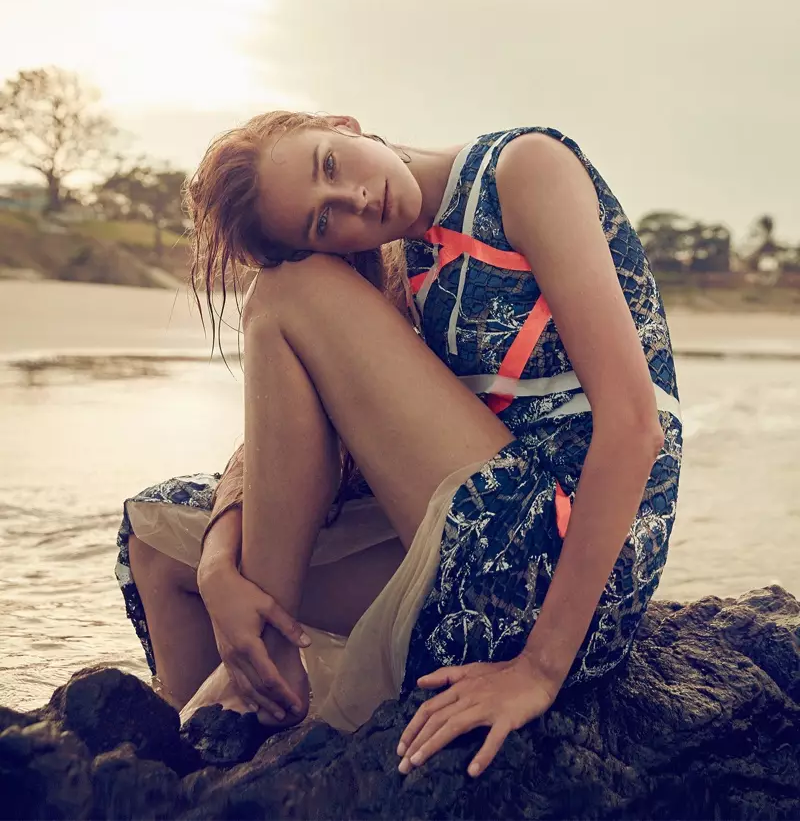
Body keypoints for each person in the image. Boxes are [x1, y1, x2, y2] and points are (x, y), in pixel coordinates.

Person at [115, 111, 682, 778]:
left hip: (561, 566)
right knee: (157, 540)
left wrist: (539, 670)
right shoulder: (396, 258)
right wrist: (218, 561)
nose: (355, 199)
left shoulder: (522, 171)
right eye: (323, 222)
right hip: (475, 539)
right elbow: (275, 440)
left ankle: (259, 665)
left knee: (280, 296)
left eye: (330, 164)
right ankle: (189, 769)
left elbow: (635, 425)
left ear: (342, 124)